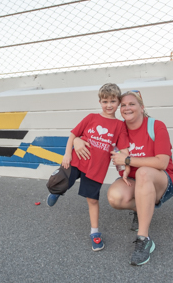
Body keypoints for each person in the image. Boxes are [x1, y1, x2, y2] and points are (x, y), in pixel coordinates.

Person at [73, 90, 173, 265]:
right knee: (114, 197)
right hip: (137, 182)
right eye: (123, 105)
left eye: (132, 104)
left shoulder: (156, 125)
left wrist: (128, 159)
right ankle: (141, 209)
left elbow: (162, 162)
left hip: (162, 181)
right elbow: (95, 139)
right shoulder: (119, 129)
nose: (127, 108)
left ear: (142, 107)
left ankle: (144, 239)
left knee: (144, 171)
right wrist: (77, 139)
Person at [46, 83, 130, 251]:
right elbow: (73, 134)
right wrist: (67, 154)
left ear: (118, 102)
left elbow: (124, 149)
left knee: (92, 199)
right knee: (60, 181)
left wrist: (126, 167)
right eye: (105, 101)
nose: (108, 105)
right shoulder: (91, 117)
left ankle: (94, 232)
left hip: (96, 168)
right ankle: (57, 192)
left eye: (112, 101)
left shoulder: (120, 126)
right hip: (77, 159)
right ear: (100, 102)